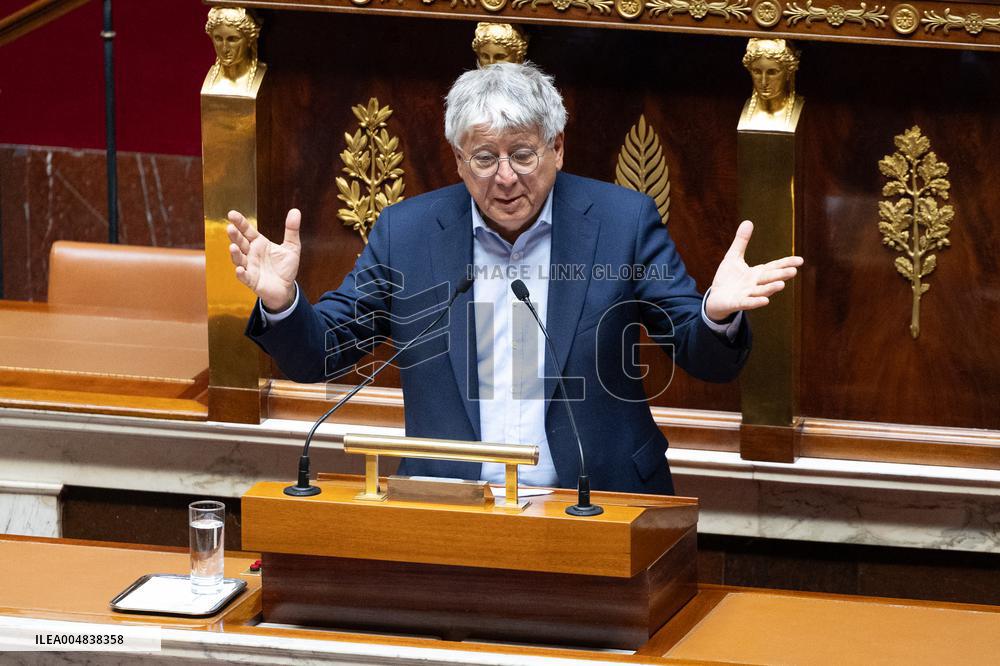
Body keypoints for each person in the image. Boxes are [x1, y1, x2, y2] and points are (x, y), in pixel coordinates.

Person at [227, 62, 802, 495]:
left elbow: (705, 357)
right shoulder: (408, 234)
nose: (505, 178)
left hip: (599, 501)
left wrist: (717, 314)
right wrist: (284, 304)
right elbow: (319, 356)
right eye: (485, 157)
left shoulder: (621, 223)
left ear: (556, 148)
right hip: (448, 506)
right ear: (457, 158)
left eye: (523, 154)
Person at [740, 38, 803, 131]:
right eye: (757, 72)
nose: (764, 82)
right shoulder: (742, 110)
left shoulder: (802, 110)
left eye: (772, 72)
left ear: (789, 72)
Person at [204, 7, 261, 95]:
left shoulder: (260, 75)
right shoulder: (210, 82)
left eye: (232, 39)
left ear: (249, 40)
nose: (224, 48)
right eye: (218, 38)